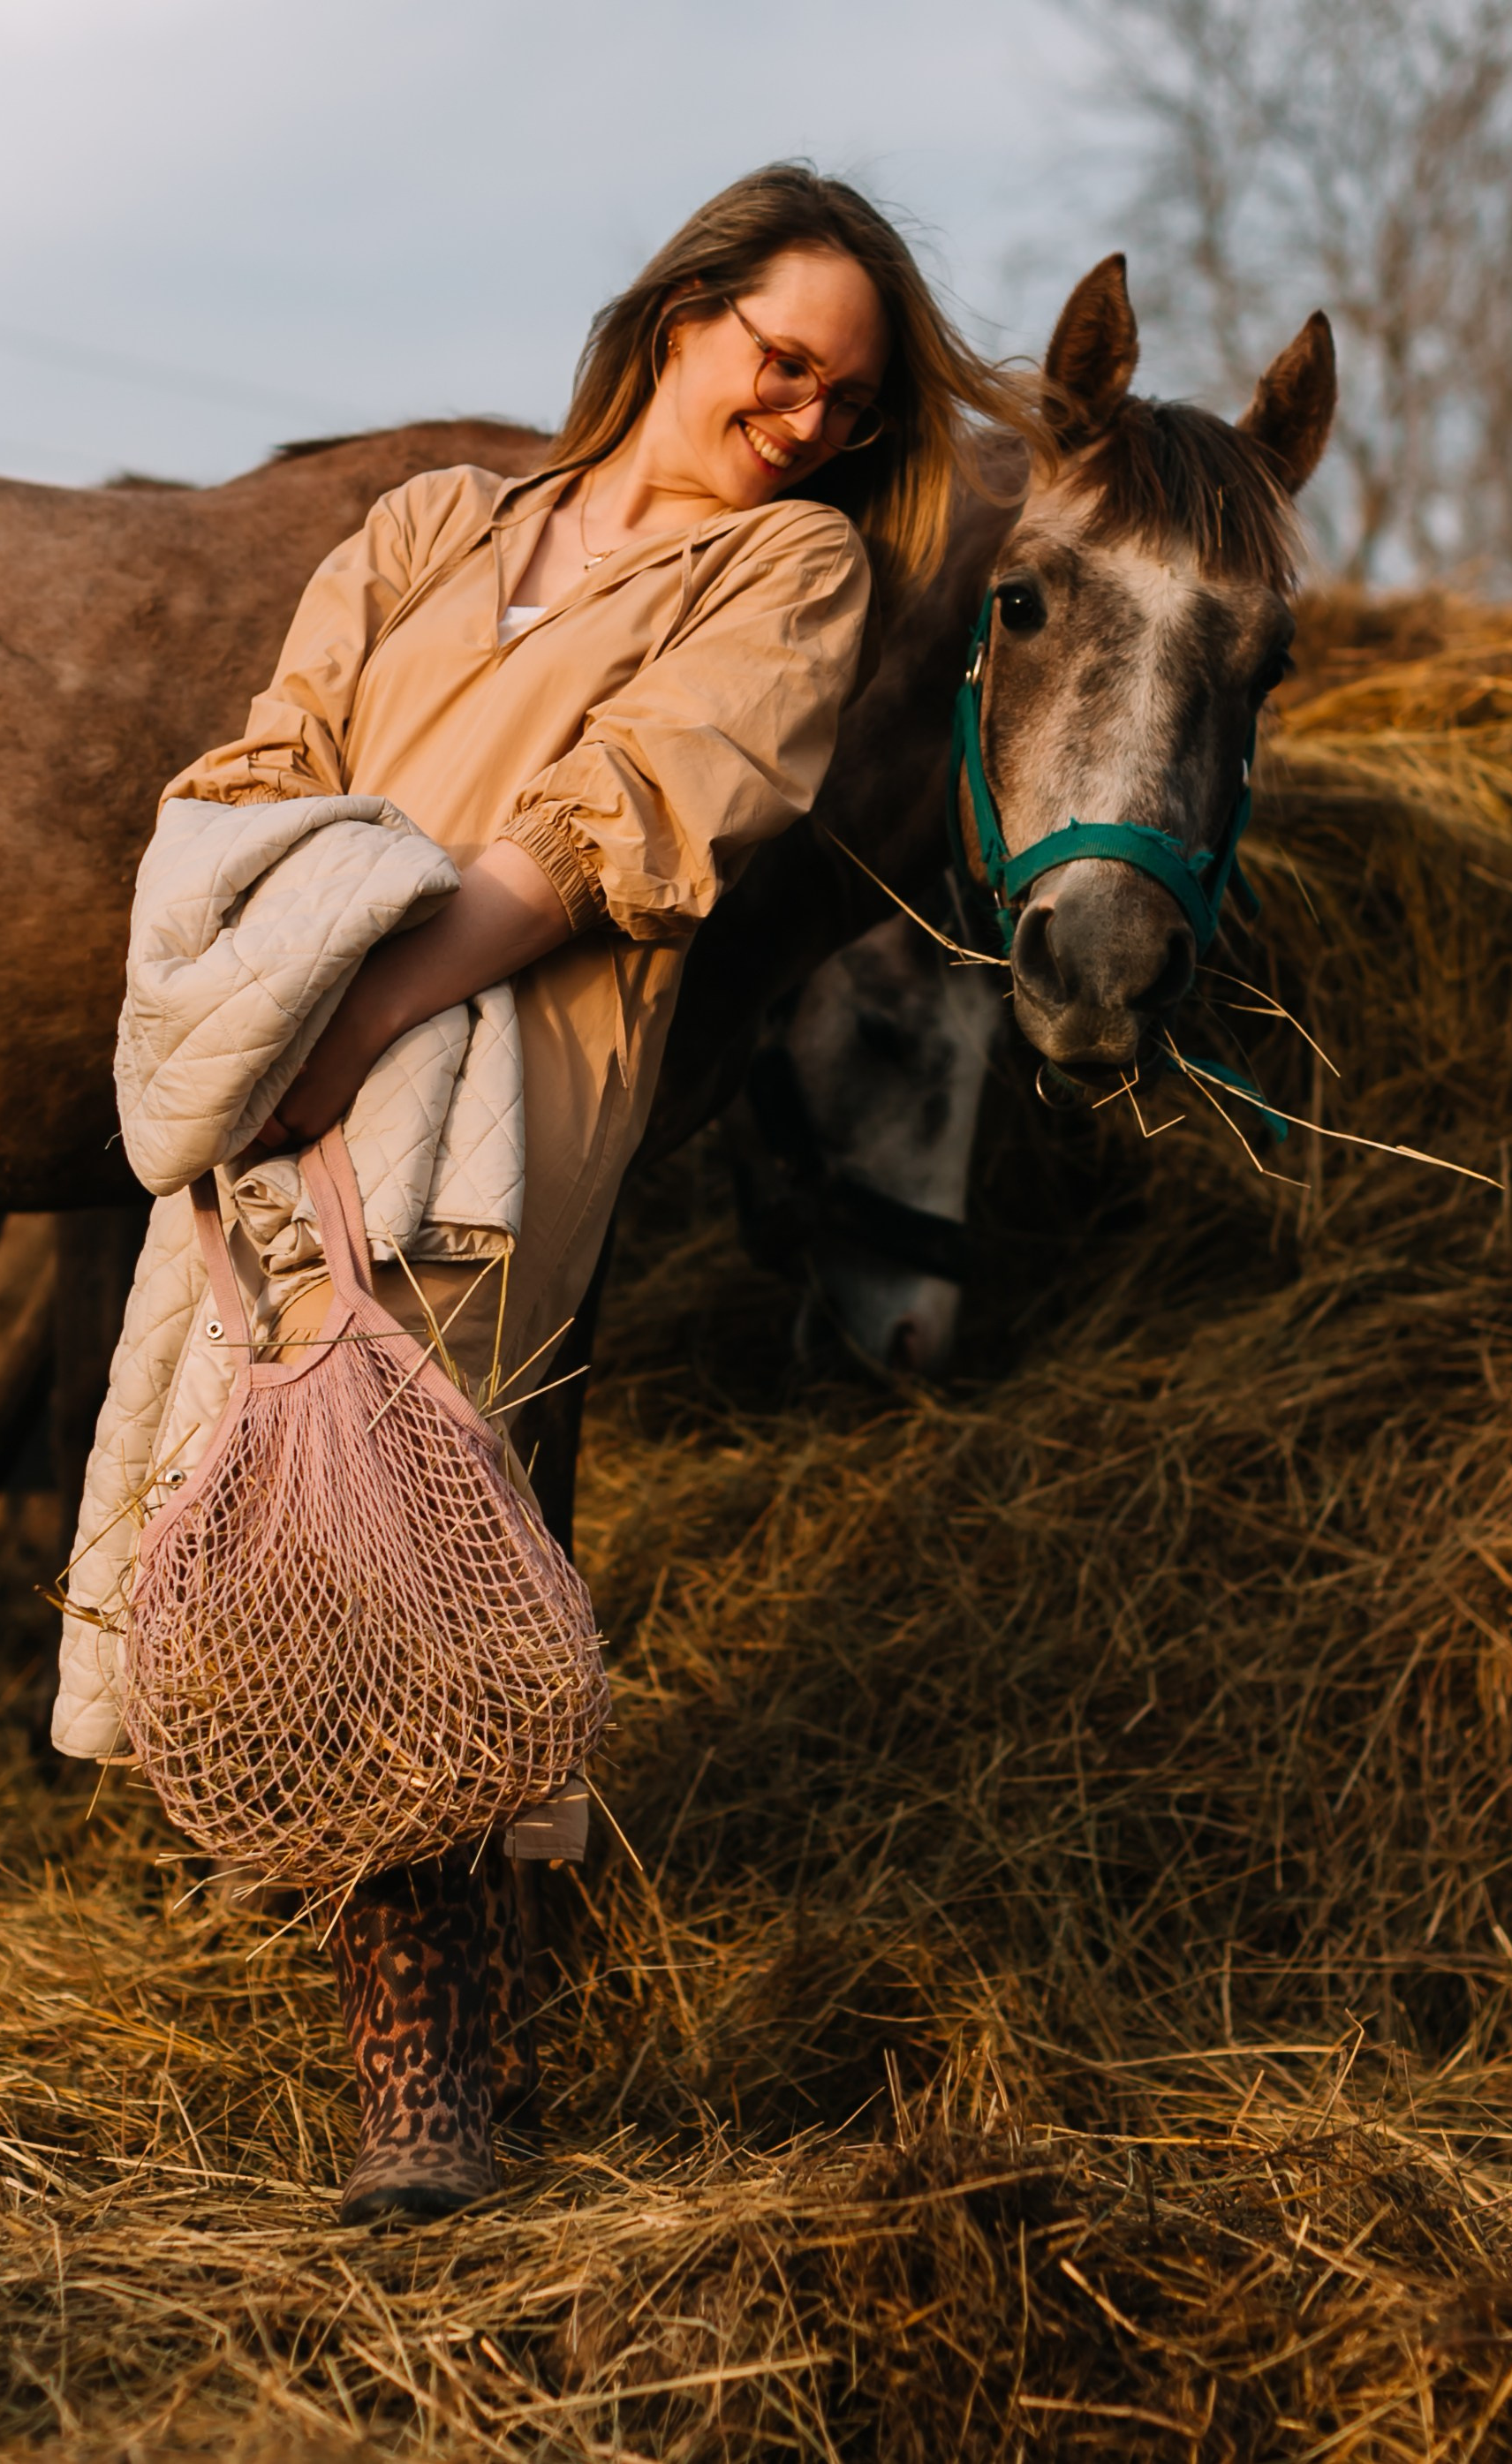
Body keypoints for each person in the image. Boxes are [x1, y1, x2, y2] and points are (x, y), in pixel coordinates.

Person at [161, 162, 994, 2218]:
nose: (804, 423)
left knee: (421, 1535)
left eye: (845, 405)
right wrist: (260, 990)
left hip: (503, 1082)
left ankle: (439, 2101)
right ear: (679, 312)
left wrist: (354, 1016)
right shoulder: (439, 525)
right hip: (292, 1057)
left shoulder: (786, 579)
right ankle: (422, 2031)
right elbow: (268, 765)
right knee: (291, 1514)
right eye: (782, 364)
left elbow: (616, 830)